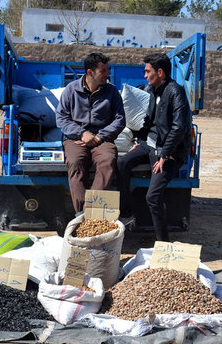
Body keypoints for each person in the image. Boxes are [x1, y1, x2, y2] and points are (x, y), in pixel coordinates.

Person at [117, 53, 192, 242]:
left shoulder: (176, 92)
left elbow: (179, 127)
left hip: (169, 152)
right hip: (150, 146)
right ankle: (126, 214)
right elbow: (148, 123)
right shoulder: (153, 92)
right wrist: (138, 142)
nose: (144, 76)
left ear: (160, 72)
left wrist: (165, 154)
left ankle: (163, 243)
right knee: (122, 163)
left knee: (153, 197)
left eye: (147, 71)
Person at [56, 52, 125, 214]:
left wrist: (100, 136)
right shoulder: (71, 90)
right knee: (75, 162)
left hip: (103, 139)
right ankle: (81, 214)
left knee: (107, 161)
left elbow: (120, 120)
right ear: (89, 72)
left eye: (107, 70)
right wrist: (82, 134)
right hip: (75, 139)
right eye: (103, 71)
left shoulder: (112, 92)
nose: (107, 75)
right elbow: (61, 118)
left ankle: (92, 212)